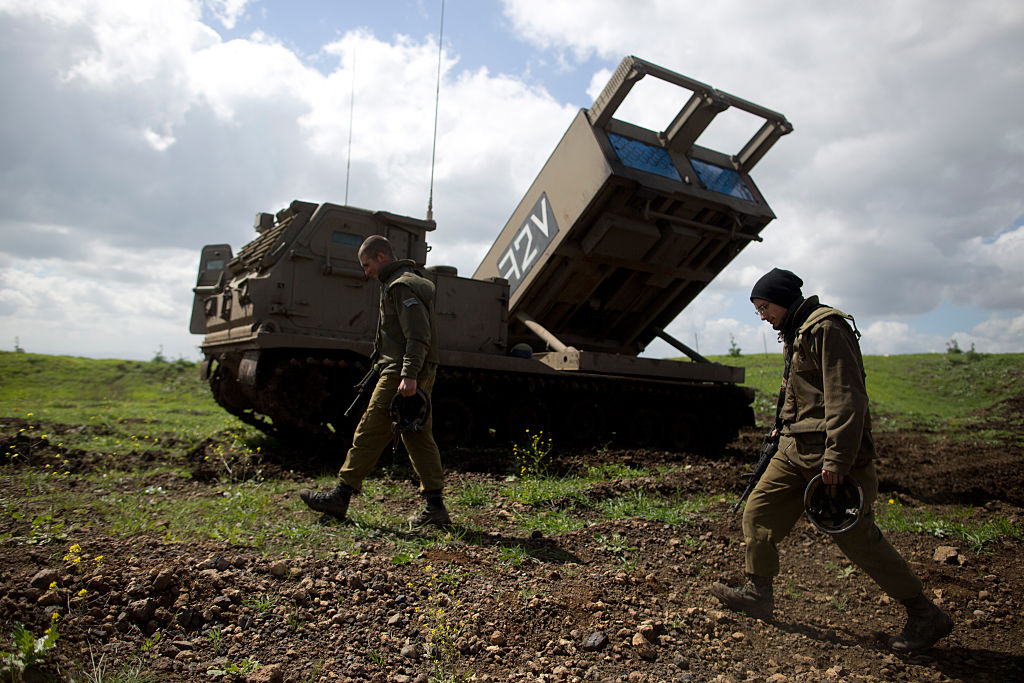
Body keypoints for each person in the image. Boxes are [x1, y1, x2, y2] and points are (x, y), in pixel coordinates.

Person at [710, 268, 953, 652]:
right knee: (758, 512)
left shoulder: (827, 328)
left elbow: (847, 398)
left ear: (782, 299)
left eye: (763, 307)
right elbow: (800, 394)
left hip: (833, 457)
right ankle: (759, 592)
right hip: (793, 450)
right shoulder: (795, 330)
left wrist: (838, 461)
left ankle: (925, 614)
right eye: (757, 309)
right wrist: (780, 429)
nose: (761, 315)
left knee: (858, 540)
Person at [300, 235, 450, 526]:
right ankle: (436, 507)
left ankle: (340, 497)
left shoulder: (401, 285)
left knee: (369, 430)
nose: (365, 272)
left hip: (401, 372)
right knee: (417, 435)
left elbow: (418, 335)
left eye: (366, 264)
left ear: (381, 257)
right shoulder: (399, 283)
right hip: (406, 369)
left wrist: (408, 375)